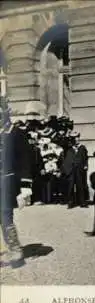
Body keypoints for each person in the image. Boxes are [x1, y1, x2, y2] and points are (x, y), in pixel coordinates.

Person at [0, 96, 33, 268]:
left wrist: (26, 186)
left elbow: (25, 161)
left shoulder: (16, 133)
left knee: (5, 216)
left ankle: (15, 250)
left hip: (6, 182)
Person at [62, 132, 89, 208]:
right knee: (70, 186)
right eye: (74, 138)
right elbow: (63, 143)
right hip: (70, 169)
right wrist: (67, 136)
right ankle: (70, 202)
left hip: (79, 169)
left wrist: (86, 165)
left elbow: (86, 157)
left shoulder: (82, 147)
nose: (76, 139)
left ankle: (82, 202)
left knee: (80, 185)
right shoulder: (68, 147)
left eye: (77, 137)